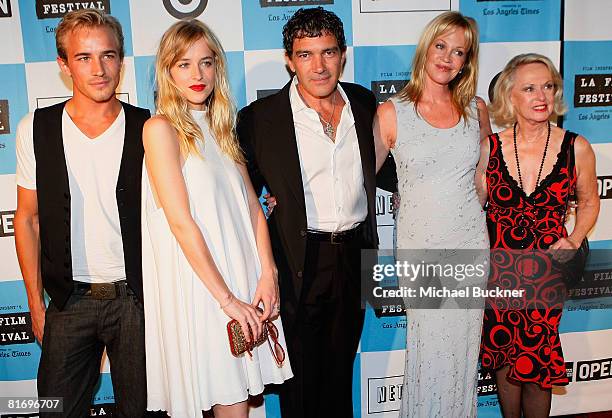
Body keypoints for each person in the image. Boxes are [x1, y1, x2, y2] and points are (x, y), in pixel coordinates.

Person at [141, 19, 292, 418]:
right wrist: (226, 299)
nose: (197, 74)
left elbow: (251, 208)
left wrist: (268, 272)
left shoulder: (222, 127)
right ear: (167, 71)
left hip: (240, 283)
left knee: (235, 404)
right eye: (184, 64)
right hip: (203, 290)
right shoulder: (160, 129)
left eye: (206, 63)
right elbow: (179, 221)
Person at [237, 7, 379, 417]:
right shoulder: (261, 120)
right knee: (298, 382)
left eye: (328, 53)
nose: (318, 66)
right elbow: (241, 195)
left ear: (343, 54)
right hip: (298, 258)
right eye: (305, 55)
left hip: (355, 256)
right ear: (289, 60)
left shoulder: (365, 104)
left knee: (340, 374)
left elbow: (391, 166)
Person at [13, 9, 149, 418]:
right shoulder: (34, 128)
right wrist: (37, 306)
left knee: (144, 412)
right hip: (69, 301)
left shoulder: (149, 128)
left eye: (108, 56)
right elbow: (27, 218)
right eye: (84, 57)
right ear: (63, 65)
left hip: (138, 301)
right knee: (55, 409)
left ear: (121, 61)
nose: (99, 69)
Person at [374, 11, 492, 417]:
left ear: (466, 61)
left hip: (470, 241)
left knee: (462, 350)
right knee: (427, 349)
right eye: (441, 46)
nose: (447, 57)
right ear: (426, 47)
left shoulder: (477, 109)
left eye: (458, 51)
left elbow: (482, 176)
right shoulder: (392, 112)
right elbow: (356, 179)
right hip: (420, 244)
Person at [477, 53, 600, 418]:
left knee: (536, 363)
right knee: (503, 356)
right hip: (500, 272)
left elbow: (590, 203)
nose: (541, 95)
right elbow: (473, 208)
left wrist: (574, 239)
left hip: (546, 272)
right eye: (529, 88)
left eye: (547, 86)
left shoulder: (577, 147)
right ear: (509, 96)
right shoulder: (491, 148)